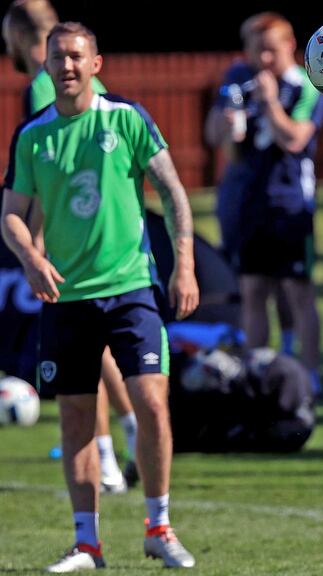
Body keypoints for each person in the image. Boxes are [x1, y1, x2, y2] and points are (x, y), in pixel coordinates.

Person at [1, 22, 200, 571]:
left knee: (153, 405)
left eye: (76, 57)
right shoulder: (33, 136)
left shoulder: (127, 119)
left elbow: (173, 191)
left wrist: (183, 264)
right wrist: (32, 258)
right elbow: (11, 217)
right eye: (57, 57)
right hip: (66, 299)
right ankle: (87, 542)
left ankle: (159, 526)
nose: (66, 66)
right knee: (75, 420)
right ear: (43, 66)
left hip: (131, 287)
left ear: (96, 64)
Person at [2, 0, 139, 494]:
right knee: (100, 350)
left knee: (82, 350)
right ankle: (131, 435)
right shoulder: (79, 76)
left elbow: (51, 171)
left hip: (75, 240)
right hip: (105, 233)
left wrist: (34, 244)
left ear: (18, 35)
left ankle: (103, 458)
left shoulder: (45, 81)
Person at [203, 12, 323, 396]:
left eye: (271, 51)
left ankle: (309, 376)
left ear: (290, 46)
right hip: (247, 201)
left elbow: (294, 139)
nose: (265, 60)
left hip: (289, 203)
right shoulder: (237, 77)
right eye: (257, 51)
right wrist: (225, 124)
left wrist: (271, 103)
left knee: (297, 291)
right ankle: (256, 372)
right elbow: (214, 137)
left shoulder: (305, 85)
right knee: (253, 289)